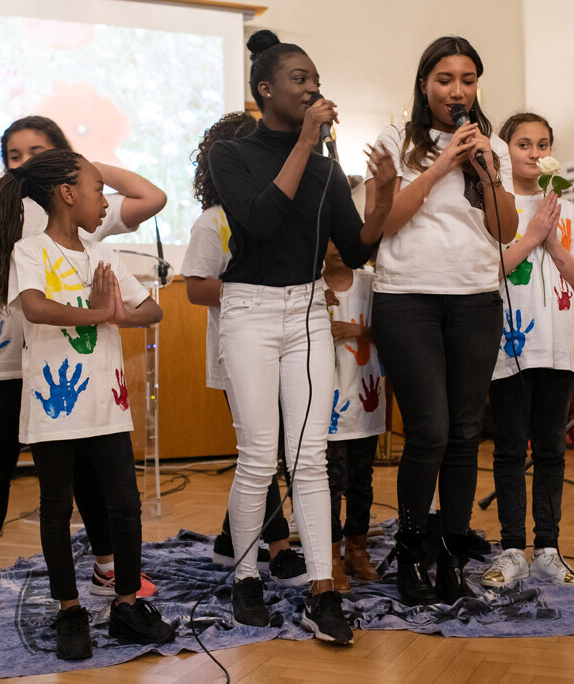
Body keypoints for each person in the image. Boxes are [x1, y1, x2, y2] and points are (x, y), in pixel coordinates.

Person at [207, 29, 395, 643]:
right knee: (260, 455)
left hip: (309, 309)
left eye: (316, 78)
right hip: (249, 310)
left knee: (309, 457)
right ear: (265, 89)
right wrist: (309, 142)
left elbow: (356, 249)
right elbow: (260, 221)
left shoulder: (325, 168)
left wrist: (384, 196)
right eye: (299, 78)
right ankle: (245, 579)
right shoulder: (231, 155)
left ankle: (322, 590)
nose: (313, 87)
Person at [0, 148, 175, 659]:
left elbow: (150, 310)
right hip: (54, 407)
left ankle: (126, 604)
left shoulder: (101, 254)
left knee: (124, 504)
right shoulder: (30, 251)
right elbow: (36, 307)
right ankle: (70, 610)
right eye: (96, 189)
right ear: (67, 193)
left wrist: (121, 314)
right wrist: (99, 313)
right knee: (56, 507)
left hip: (107, 404)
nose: (105, 201)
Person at [365, 35, 518, 607]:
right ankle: (411, 549)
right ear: (424, 84)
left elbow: (504, 229)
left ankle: (452, 551)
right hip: (407, 298)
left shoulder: (490, 145)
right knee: (428, 429)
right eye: (445, 79)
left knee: (463, 433)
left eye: (468, 80)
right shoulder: (395, 140)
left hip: (475, 298)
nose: (458, 91)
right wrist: (440, 165)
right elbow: (384, 224)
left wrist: (486, 170)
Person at [182, 111, 307, 586]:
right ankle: (278, 549)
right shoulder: (213, 221)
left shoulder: (284, 214)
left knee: (277, 449)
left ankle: (229, 540)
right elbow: (195, 287)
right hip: (239, 353)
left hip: (289, 347)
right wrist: (257, 288)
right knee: (262, 453)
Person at [482, 113, 574, 588]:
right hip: (511, 345)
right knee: (510, 449)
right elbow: (487, 273)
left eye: (542, 143)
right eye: (523, 143)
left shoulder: (565, 210)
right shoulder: (494, 207)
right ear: (504, 150)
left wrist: (554, 243)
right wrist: (530, 238)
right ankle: (512, 549)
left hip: (558, 346)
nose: (534, 152)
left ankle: (548, 547)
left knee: (551, 450)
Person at [322, 240, 386, 592]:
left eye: (341, 237)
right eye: (328, 239)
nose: (336, 247)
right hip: (326, 402)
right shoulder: (309, 286)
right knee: (330, 482)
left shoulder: (371, 283)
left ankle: (357, 551)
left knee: (362, 480)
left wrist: (356, 330)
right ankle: (330, 557)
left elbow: (394, 332)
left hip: (365, 398)